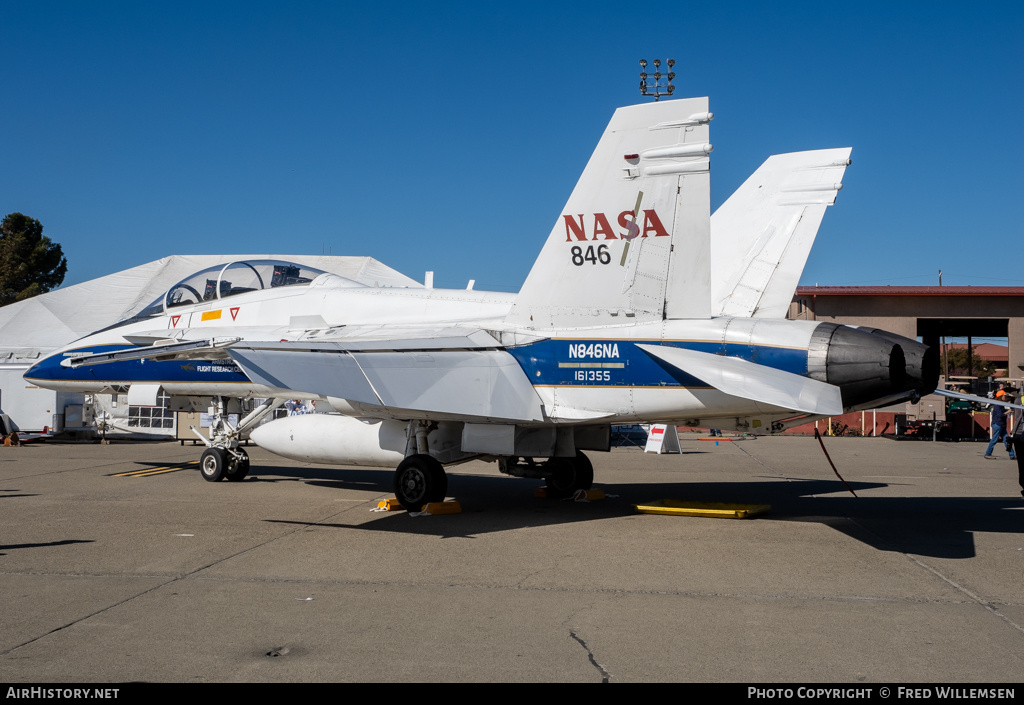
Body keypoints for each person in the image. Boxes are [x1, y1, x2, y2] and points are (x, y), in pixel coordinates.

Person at [985, 391, 1016, 460]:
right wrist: (1007, 412)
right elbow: (1000, 415)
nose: (1005, 397)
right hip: (998, 424)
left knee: (1007, 440)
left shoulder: (1000, 404)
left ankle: (1012, 455)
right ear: (1000, 397)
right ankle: (988, 453)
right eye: (1004, 396)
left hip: (1001, 425)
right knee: (994, 440)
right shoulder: (997, 405)